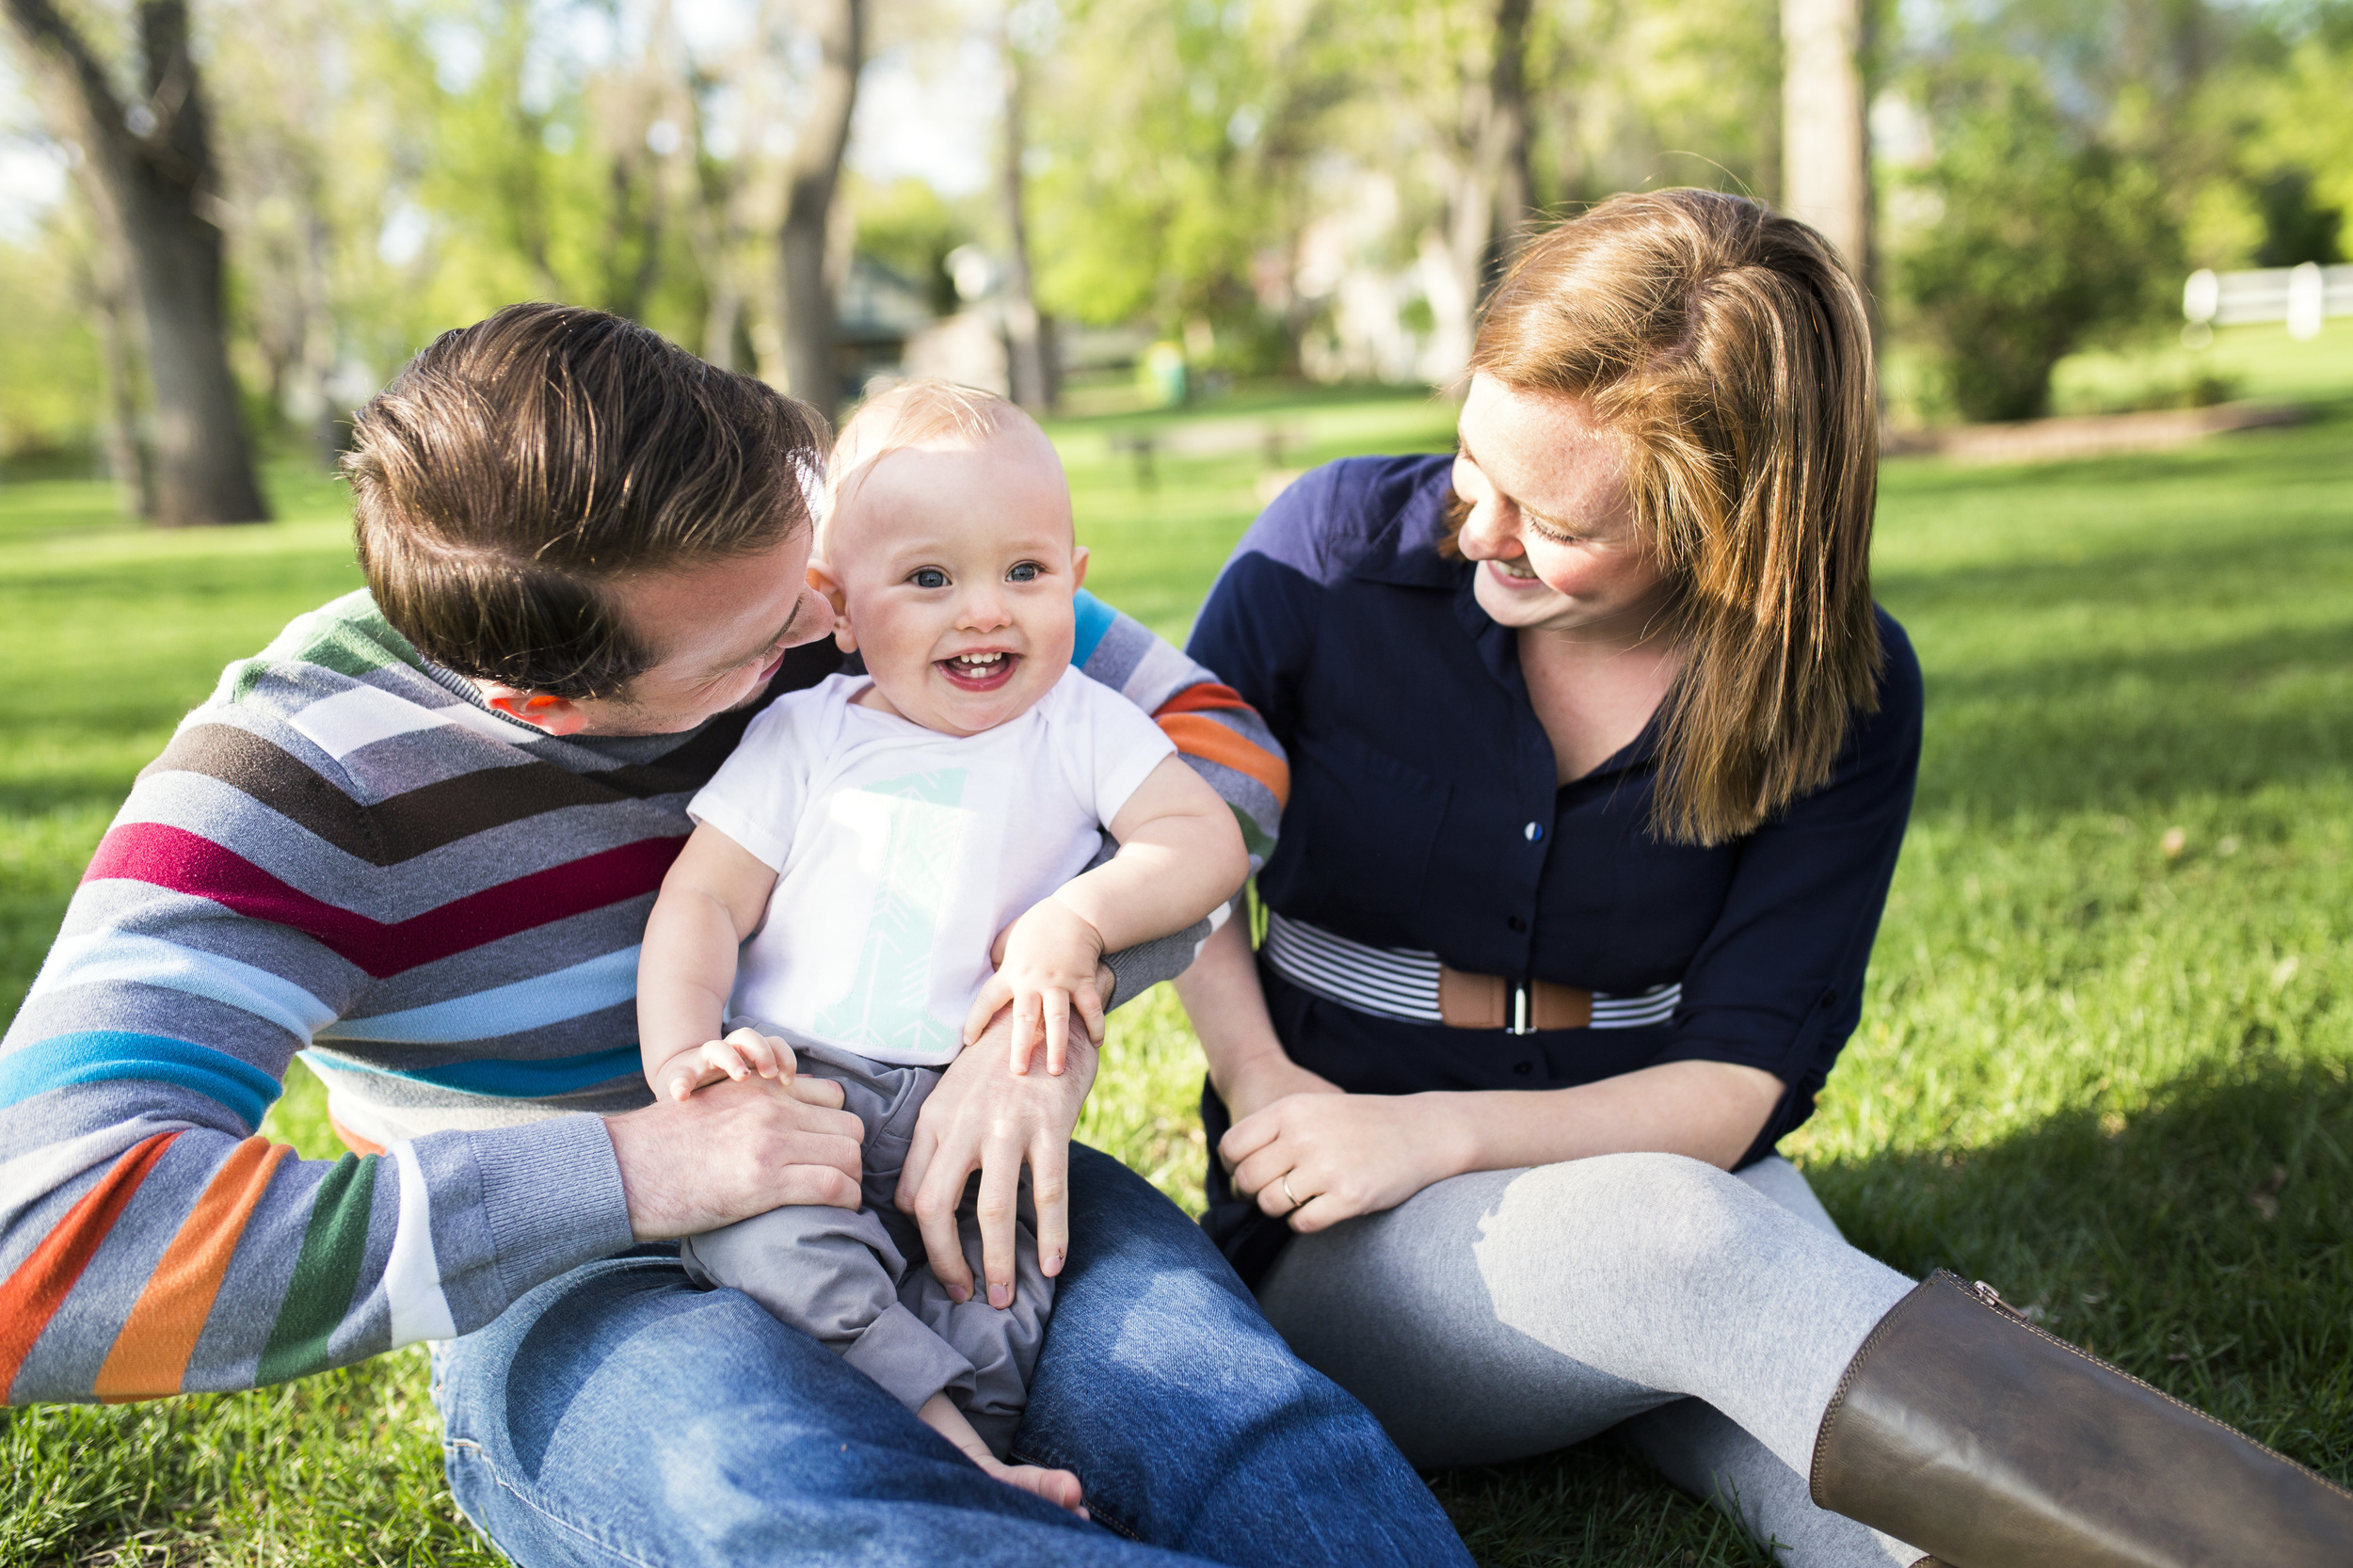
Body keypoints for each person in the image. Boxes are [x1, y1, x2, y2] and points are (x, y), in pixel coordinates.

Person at [0, 304, 1474, 1568]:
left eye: (821, 578)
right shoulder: (299, 778)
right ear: (546, 703)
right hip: (586, 1280)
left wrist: (1045, 1010)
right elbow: (39, 1247)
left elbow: (1217, 756)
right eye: (765, 648)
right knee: (800, 1505)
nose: (829, 632)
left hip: (959, 1145)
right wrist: (638, 1166)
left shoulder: (829, 563)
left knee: (1236, 1413)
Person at [1175, 189, 2353, 1568]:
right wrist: (1269, 1088)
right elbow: (1176, 849)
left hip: (1673, 1166)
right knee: (1722, 1264)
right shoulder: (1324, 553)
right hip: (1354, 1228)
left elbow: (1737, 1080)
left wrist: (1446, 1129)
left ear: (1719, 523)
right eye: (1469, 455)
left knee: (1862, 1485)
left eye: (1549, 515)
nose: (1473, 522)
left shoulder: (1841, 691)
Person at [636, 381, 1248, 1510]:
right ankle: (950, 1456)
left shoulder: (1081, 724)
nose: (983, 612)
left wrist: (1078, 919)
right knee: (776, 1254)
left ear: (1075, 572)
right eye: (929, 580)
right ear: (836, 604)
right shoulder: (804, 735)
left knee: (1000, 1281)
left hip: (983, 1091)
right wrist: (685, 1056)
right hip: (799, 1087)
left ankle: (977, 1447)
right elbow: (703, 905)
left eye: (1024, 572)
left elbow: (1202, 838)